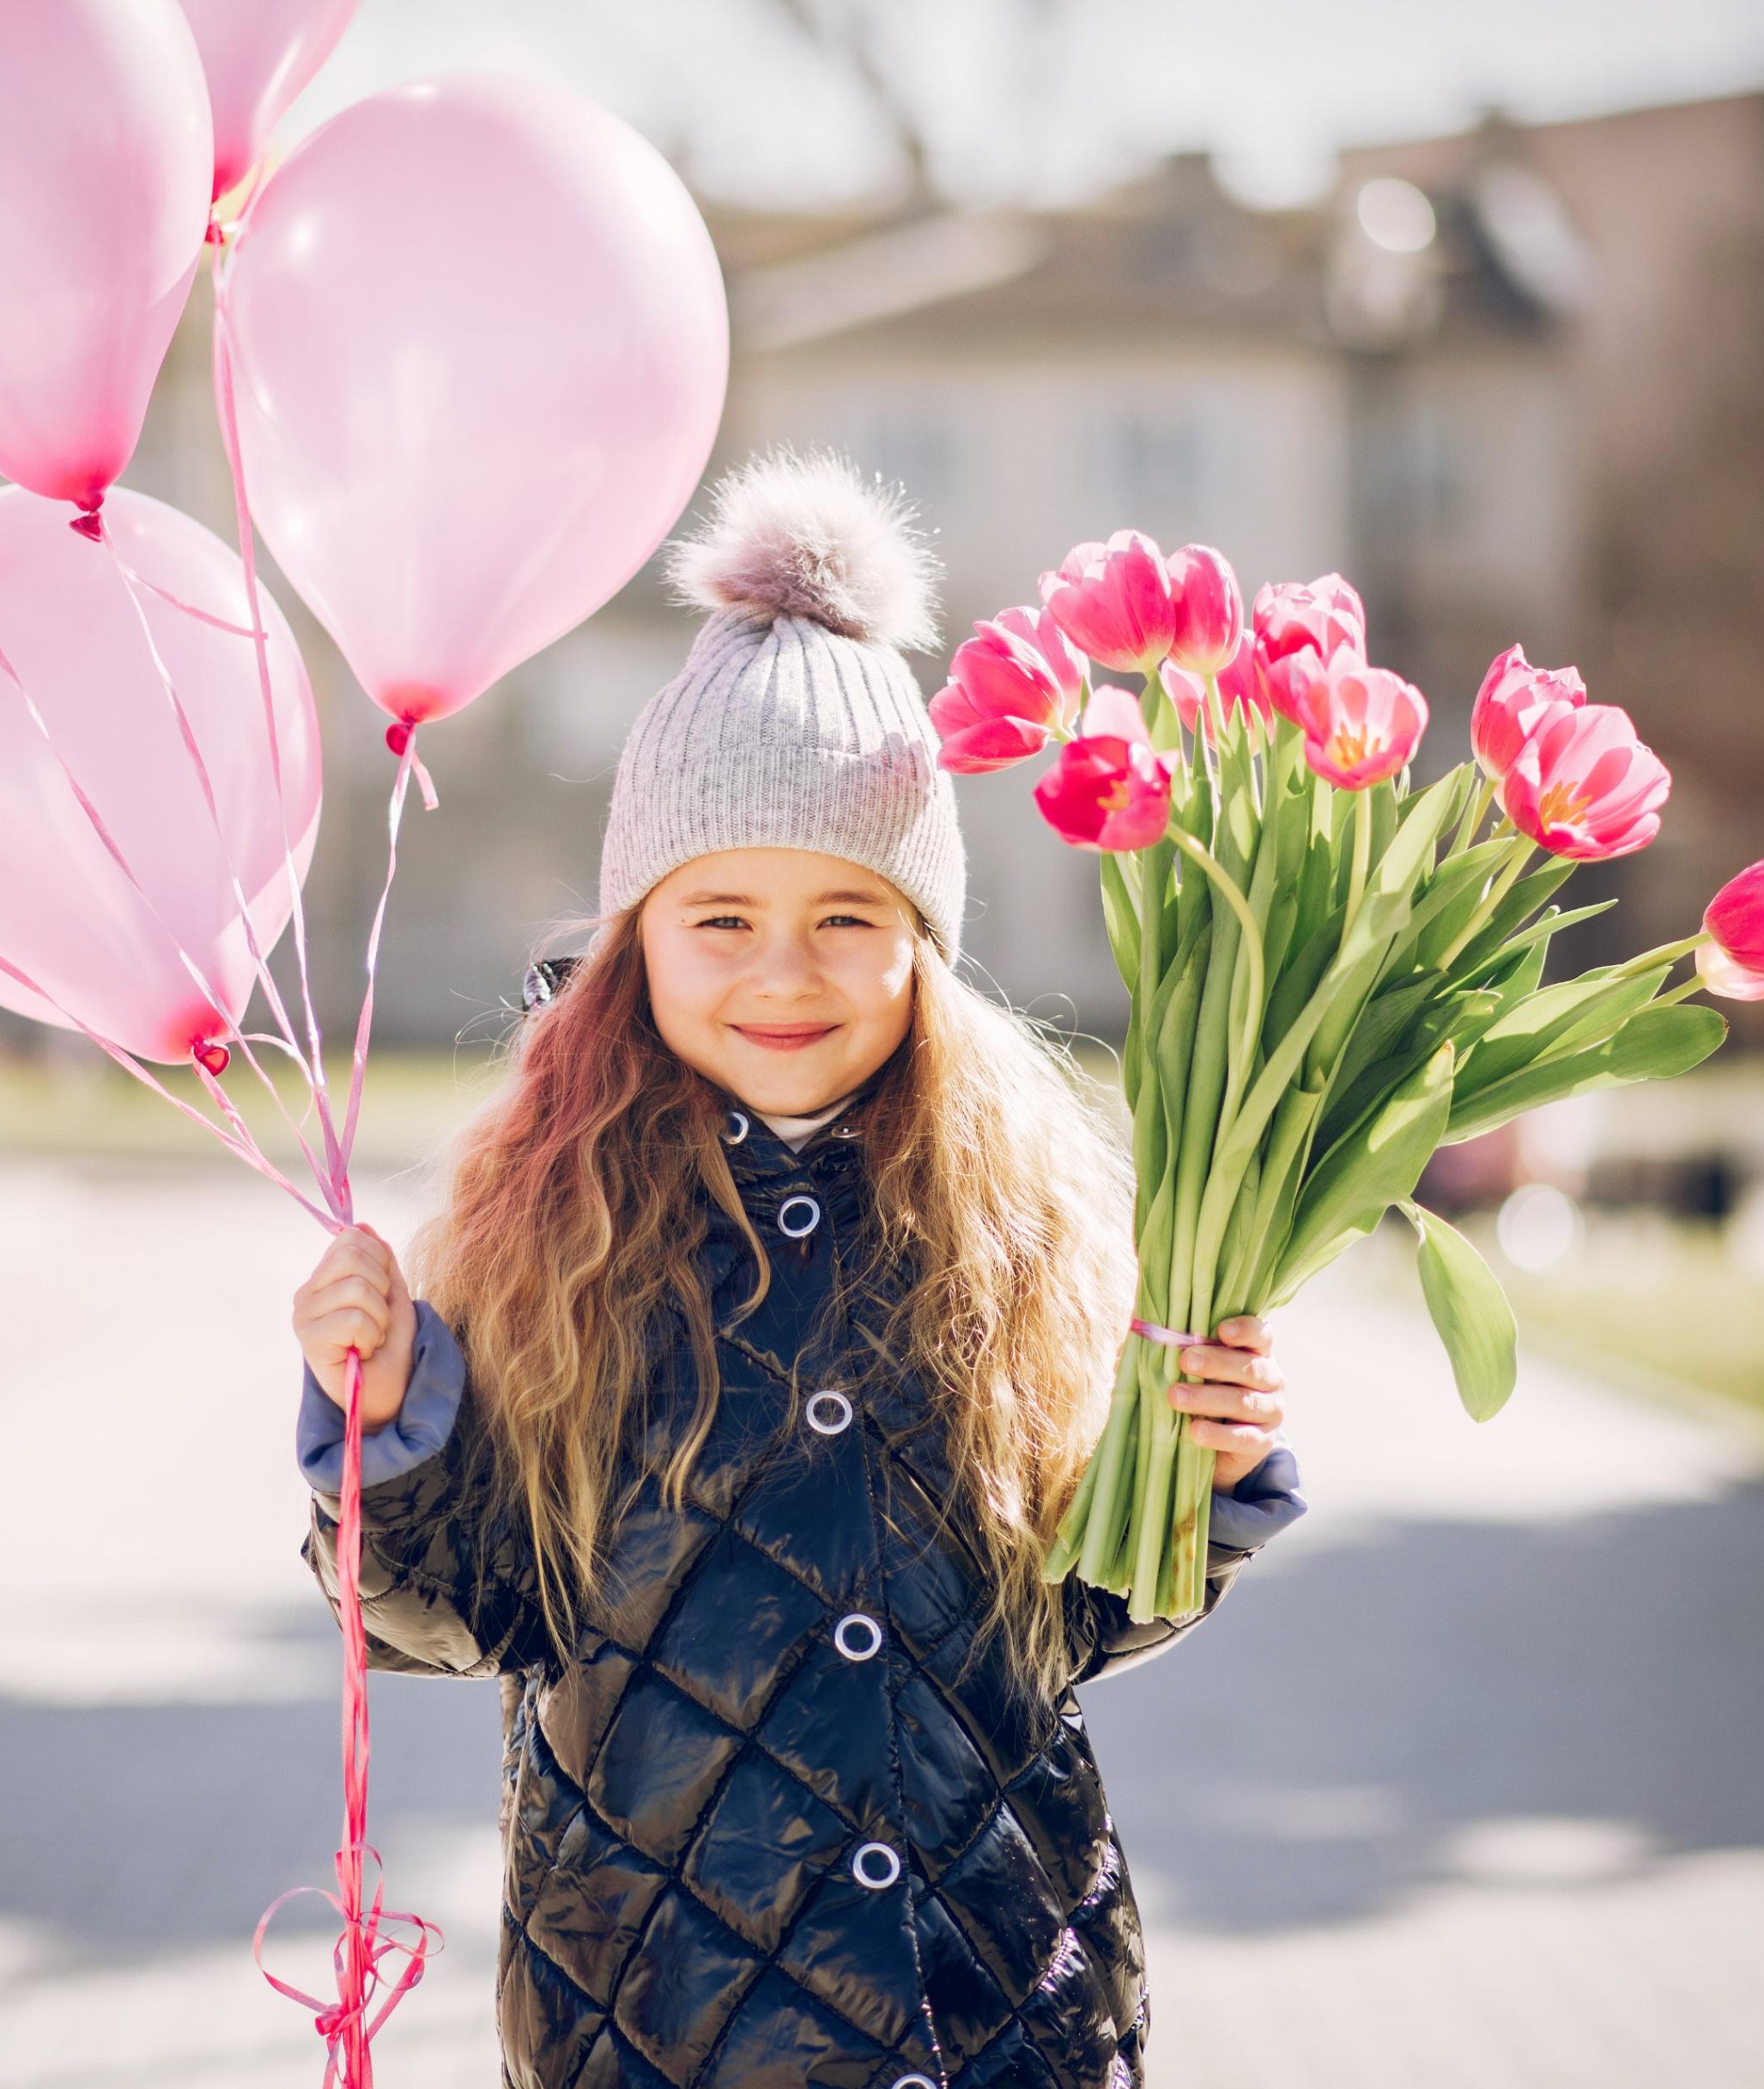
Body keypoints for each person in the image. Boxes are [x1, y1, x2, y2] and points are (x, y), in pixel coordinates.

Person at [288, 451, 1306, 2089]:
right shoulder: (543, 1240)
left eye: (847, 915)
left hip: (996, 2013)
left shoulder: (1014, 1231)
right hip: (663, 2022)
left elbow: (1074, 1613)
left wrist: (1205, 1469)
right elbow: (450, 1613)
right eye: (720, 918)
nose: (783, 970)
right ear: (634, 936)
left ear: (924, 945)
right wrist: (388, 1428)